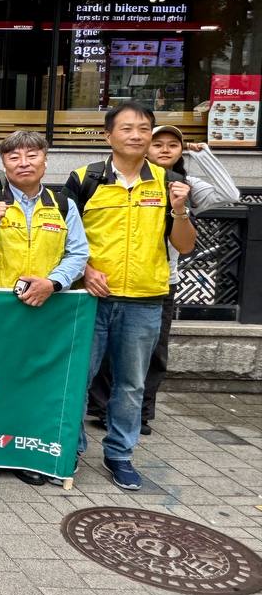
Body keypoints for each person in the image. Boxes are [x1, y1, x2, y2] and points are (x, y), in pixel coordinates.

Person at [62, 101, 196, 491]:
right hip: (91, 299)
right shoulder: (85, 178)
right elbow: (66, 237)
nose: (136, 135)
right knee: (79, 378)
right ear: (108, 136)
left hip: (144, 299)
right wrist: (85, 271)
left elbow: (184, 246)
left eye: (143, 129)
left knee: (131, 384)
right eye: (127, 128)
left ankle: (119, 454)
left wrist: (181, 210)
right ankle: (72, 447)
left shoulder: (168, 181)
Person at [88, 124, 239, 435]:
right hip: (109, 279)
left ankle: (141, 411)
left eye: (174, 144)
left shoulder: (183, 184)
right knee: (101, 351)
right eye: (158, 144)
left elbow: (230, 194)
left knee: (153, 350)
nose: (165, 150)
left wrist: (203, 154)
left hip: (159, 281)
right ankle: (102, 409)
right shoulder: (112, 180)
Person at [0, 130, 89, 487]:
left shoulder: (63, 204)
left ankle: (25, 453)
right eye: (14, 157)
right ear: (4, 164)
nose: (23, 163)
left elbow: (78, 254)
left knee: (35, 382)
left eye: (31, 155)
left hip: (46, 306)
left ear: (45, 160)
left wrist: (53, 283)